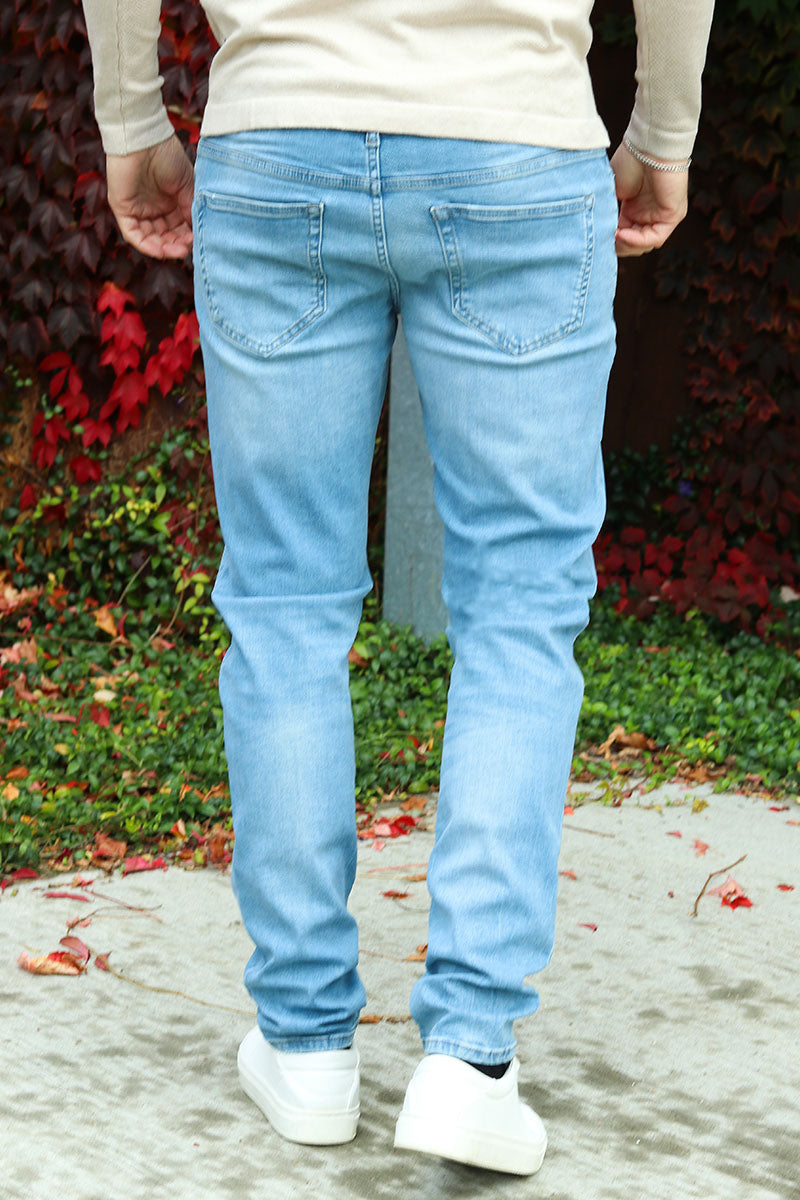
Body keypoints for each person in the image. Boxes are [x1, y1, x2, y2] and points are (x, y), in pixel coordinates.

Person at [81, 0, 714, 1176]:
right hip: (516, 138)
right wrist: (662, 133)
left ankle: (304, 1043)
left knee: (282, 605)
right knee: (520, 607)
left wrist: (130, 121)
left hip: (280, 134)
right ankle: (469, 1059)